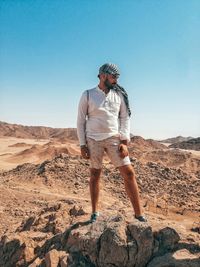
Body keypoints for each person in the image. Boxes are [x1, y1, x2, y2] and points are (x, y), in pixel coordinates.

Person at [77, 63, 146, 222]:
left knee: (129, 172)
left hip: (114, 139)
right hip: (93, 139)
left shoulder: (119, 95)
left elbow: (124, 117)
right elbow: (80, 121)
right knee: (95, 174)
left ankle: (139, 214)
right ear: (103, 76)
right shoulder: (87, 95)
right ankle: (95, 212)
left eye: (117, 77)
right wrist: (82, 144)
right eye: (113, 76)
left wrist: (124, 141)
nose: (116, 80)